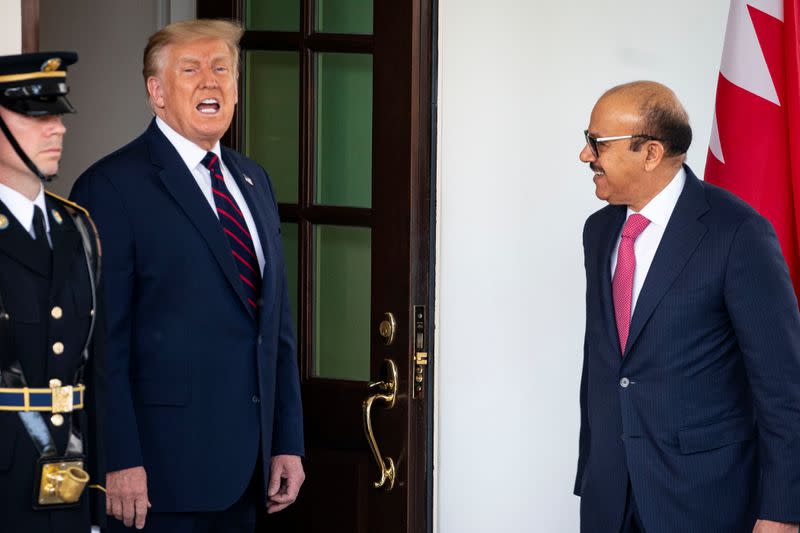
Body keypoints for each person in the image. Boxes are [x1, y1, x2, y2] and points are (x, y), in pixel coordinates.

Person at [70, 19, 304, 533]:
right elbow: (100, 344)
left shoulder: (253, 180)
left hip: (247, 472)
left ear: (237, 88)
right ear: (156, 92)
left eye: (222, 69)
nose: (211, 81)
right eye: (191, 69)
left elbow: (274, 327)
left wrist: (287, 441)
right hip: (155, 478)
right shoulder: (110, 187)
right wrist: (117, 457)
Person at [575, 81, 800, 533]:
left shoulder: (737, 233)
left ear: (650, 153)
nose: (586, 156)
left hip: (703, 500)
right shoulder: (598, 232)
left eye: (596, 142)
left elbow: (783, 388)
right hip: (610, 497)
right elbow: (604, 365)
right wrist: (591, 473)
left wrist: (782, 512)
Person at [0, 52, 106, 533]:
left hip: (70, 478)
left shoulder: (77, 227)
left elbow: (98, 363)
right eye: (36, 114)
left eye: (58, 114)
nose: (57, 128)